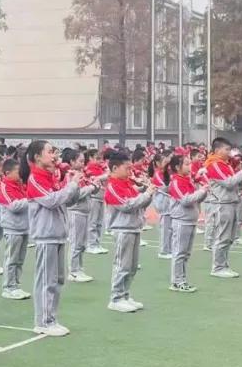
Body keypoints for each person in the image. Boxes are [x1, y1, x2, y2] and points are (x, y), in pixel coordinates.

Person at [26, 140, 80, 336]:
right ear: (37, 157)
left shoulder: (52, 177)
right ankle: (43, 321)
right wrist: (71, 186)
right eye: (50, 152)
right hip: (46, 235)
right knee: (46, 280)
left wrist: (73, 185)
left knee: (57, 279)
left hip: (58, 234)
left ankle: (51, 318)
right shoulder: (35, 178)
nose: (54, 155)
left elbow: (69, 200)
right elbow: (51, 201)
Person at [104, 151, 154, 313]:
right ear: (115, 168)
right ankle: (116, 298)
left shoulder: (127, 183)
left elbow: (139, 203)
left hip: (133, 227)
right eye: (127, 168)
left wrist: (148, 193)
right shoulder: (112, 186)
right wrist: (146, 194)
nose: (130, 172)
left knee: (132, 266)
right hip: (122, 229)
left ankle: (125, 294)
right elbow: (127, 205)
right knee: (122, 265)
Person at [205, 138, 242, 279]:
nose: (229, 152)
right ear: (218, 150)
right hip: (221, 204)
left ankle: (223, 265)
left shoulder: (226, 165)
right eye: (227, 149)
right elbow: (229, 183)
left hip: (230, 202)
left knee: (229, 237)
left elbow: (236, 183)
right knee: (222, 236)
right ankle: (218, 267)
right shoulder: (214, 164)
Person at [166, 155, 203, 293]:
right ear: (177, 167)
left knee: (185, 253)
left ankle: (182, 279)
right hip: (181, 220)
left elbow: (195, 199)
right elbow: (186, 201)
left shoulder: (186, 180)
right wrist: (201, 191)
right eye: (186, 164)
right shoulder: (176, 182)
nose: (190, 167)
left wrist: (203, 191)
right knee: (179, 252)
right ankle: (177, 281)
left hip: (190, 220)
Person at [0, 158, 31, 300]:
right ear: (7, 173)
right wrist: (31, 199)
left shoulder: (20, 185)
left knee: (19, 260)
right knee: (11, 259)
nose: (20, 174)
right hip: (12, 228)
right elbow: (13, 206)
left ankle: (15, 285)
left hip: (23, 227)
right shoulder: (4, 187)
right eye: (18, 171)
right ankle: (8, 287)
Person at [64, 148, 99, 284]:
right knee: (75, 242)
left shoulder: (81, 174)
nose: (83, 164)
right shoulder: (70, 175)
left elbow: (88, 190)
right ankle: (73, 271)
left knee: (82, 244)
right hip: (75, 211)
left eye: (84, 161)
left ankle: (79, 268)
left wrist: (95, 186)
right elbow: (74, 194)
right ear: (72, 161)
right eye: (80, 161)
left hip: (84, 211)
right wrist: (90, 188)